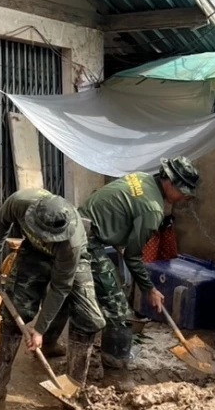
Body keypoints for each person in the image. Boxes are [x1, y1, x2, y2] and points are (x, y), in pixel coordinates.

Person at [0, 188, 105, 410]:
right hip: (33, 253)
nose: (47, 239)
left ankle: (73, 391)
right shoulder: (20, 202)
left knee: (89, 318)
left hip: (72, 260)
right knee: (13, 313)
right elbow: (1, 220)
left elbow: (60, 287)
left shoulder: (71, 244)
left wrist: (40, 329)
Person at [74, 156, 200, 373]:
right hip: (87, 241)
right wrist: (150, 289)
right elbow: (133, 257)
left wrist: (121, 240)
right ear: (170, 183)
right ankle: (115, 365)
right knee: (118, 306)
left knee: (68, 290)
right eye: (183, 192)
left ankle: (50, 344)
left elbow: (120, 212)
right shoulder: (153, 209)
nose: (184, 198)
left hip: (78, 225)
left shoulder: (142, 178)